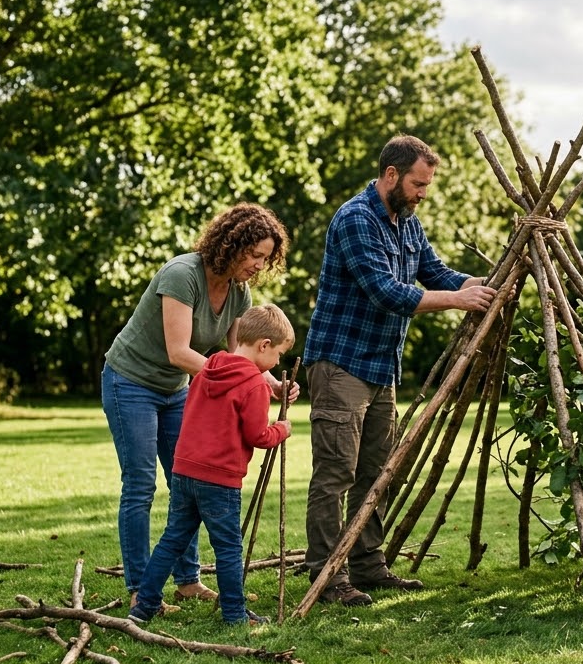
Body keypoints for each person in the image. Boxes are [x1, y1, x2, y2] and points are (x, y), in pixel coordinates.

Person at [302, 134, 496, 607]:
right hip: (341, 363)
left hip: (381, 367)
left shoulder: (408, 224)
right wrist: (458, 300)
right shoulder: (355, 219)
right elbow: (386, 292)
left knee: (374, 473)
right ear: (391, 175)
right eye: (417, 183)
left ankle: (367, 567)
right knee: (336, 473)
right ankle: (327, 576)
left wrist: (477, 283)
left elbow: (436, 273)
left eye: (426, 185)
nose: (422, 193)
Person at [102, 202, 294, 609]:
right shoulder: (182, 275)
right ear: (232, 244)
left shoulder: (240, 292)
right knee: (140, 485)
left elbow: (240, 357)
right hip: (130, 381)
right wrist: (242, 381)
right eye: (254, 255)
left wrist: (273, 383)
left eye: (266, 257)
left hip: (177, 390)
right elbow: (179, 352)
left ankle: (188, 581)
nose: (259, 265)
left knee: (184, 484)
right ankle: (140, 589)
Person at [128, 304, 294, 626]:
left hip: (185, 471)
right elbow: (257, 434)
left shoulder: (209, 368)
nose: (277, 363)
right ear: (263, 345)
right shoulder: (255, 385)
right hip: (220, 480)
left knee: (172, 539)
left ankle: (143, 606)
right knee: (229, 548)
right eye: (279, 354)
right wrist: (281, 430)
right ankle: (235, 616)